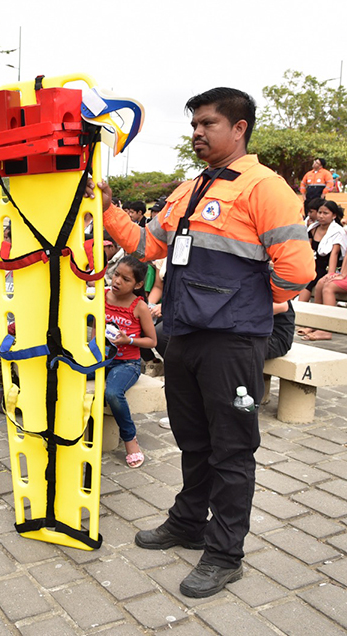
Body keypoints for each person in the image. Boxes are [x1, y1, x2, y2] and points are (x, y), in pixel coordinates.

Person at [90, 87, 314, 598]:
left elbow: (298, 269)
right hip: (184, 335)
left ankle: (225, 552)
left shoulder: (265, 187)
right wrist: (108, 212)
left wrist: (251, 304)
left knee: (232, 450)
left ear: (239, 128)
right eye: (193, 124)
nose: (196, 132)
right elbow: (149, 247)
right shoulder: (190, 188)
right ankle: (188, 522)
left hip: (233, 342)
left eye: (207, 123)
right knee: (193, 439)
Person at [100, 255, 157, 468]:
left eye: (125, 279)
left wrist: (128, 339)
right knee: (66, 371)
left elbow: (152, 340)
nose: (117, 281)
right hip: (101, 359)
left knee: (113, 393)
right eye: (116, 275)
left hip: (126, 364)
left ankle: (130, 440)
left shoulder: (139, 306)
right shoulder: (103, 296)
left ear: (138, 284)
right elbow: (96, 324)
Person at [298, 199, 345, 304]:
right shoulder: (313, 229)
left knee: (313, 281)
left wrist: (330, 273)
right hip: (314, 264)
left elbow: (335, 253)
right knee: (303, 277)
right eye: (320, 212)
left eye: (325, 213)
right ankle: (300, 309)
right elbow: (308, 249)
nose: (321, 216)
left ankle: (315, 310)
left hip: (328, 266)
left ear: (333, 216)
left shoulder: (337, 231)